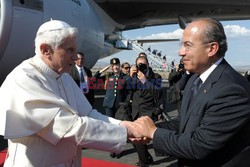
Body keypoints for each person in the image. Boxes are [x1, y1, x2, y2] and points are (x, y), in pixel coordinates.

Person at [0, 20, 140, 167]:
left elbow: (89, 114)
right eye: (70, 50)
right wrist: (127, 132)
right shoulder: (24, 78)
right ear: (46, 49)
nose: (75, 57)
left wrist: (124, 125)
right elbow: (71, 127)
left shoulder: (64, 77)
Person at [134, 18, 250, 166]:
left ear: (212, 49)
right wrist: (144, 129)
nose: (180, 52)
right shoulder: (195, 79)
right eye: (181, 45)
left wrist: (153, 133)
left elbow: (199, 146)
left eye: (187, 45)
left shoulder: (231, 89)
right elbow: (186, 122)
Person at [126, 56, 163, 167]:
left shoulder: (156, 77)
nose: (141, 66)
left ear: (148, 65)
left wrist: (145, 81)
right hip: (135, 112)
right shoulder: (134, 76)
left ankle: (144, 163)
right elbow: (125, 90)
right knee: (135, 140)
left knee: (140, 139)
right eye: (139, 64)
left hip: (148, 112)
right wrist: (129, 76)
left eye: (143, 64)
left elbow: (158, 94)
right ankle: (146, 157)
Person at [94, 58, 128, 158]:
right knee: (110, 127)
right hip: (109, 104)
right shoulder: (108, 76)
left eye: (117, 65)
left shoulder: (125, 77)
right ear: (111, 67)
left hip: (119, 105)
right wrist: (103, 70)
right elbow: (94, 79)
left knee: (118, 128)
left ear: (119, 66)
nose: (115, 67)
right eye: (113, 65)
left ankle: (118, 149)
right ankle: (112, 148)